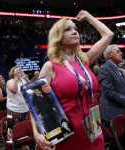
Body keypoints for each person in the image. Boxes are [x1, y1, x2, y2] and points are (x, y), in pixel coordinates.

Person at [30, 10, 114, 150]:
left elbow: (108, 34)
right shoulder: (50, 66)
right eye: (68, 29)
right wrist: (36, 132)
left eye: (75, 29)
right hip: (68, 133)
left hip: (93, 128)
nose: (75, 32)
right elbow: (36, 103)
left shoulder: (84, 60)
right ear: (58, 37)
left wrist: (88, 17)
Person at [98, 45, 125, 122]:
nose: (121, 53)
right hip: (114, 114)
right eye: (118, 51)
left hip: (122, 110)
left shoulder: (118, 69)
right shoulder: (105, 69)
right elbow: (109, 92)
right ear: (109, 54)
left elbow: (122, 88)